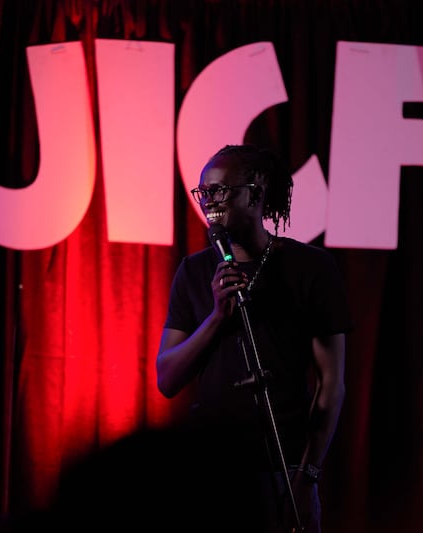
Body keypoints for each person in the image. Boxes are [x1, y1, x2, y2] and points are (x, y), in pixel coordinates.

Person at [156, 144, 352, 532]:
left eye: (220, 191)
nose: (208, 201)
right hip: (209, 466)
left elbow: (331, 384)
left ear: (256, 194)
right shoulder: (194, 271)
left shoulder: (310, 268)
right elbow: (166, 377)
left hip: (283, 466)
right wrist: (216, 317)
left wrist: (308, 475)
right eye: (203, 192)